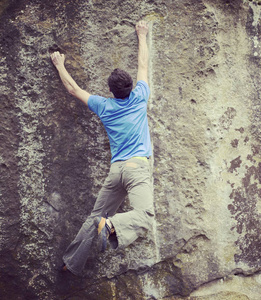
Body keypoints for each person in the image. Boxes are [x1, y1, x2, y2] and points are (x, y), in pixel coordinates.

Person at [51, 20, 154, 276]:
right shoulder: (141, 95)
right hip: (137, 168)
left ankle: (70, 263)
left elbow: (73, 89)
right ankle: (110, 226)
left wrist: (59, 64)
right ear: (131, 86)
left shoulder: (103, 106)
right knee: (144, 217)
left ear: (110, 91)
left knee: (94, 217)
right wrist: (142, 34)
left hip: (116, 171)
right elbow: (143, 64)